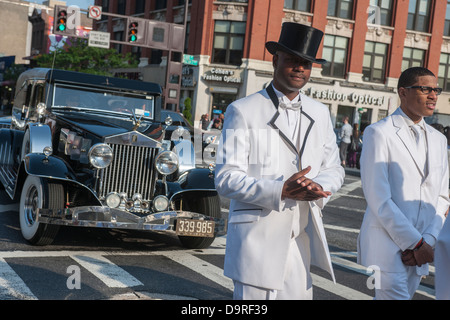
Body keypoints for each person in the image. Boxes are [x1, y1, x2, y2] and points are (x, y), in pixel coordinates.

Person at [215, 22, 345, 300]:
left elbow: (334, 168)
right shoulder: (242, 110)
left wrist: (317, 186)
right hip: (257, 239)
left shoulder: (320, 112)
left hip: (301, 239)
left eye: (306, 63)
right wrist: (280, 190)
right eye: (292, 60)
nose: (300, 68)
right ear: (275, 60)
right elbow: (226, 178)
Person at [358, 67, 449, 300]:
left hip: (421, 250)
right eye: (425, 88)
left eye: (435, 89)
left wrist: (427, 241)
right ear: (403, 92)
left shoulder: (439, 140)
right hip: (388, 248)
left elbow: (442, 197)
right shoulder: (379, 133)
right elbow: (378, 198)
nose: (433, 95)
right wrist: (416, 243)